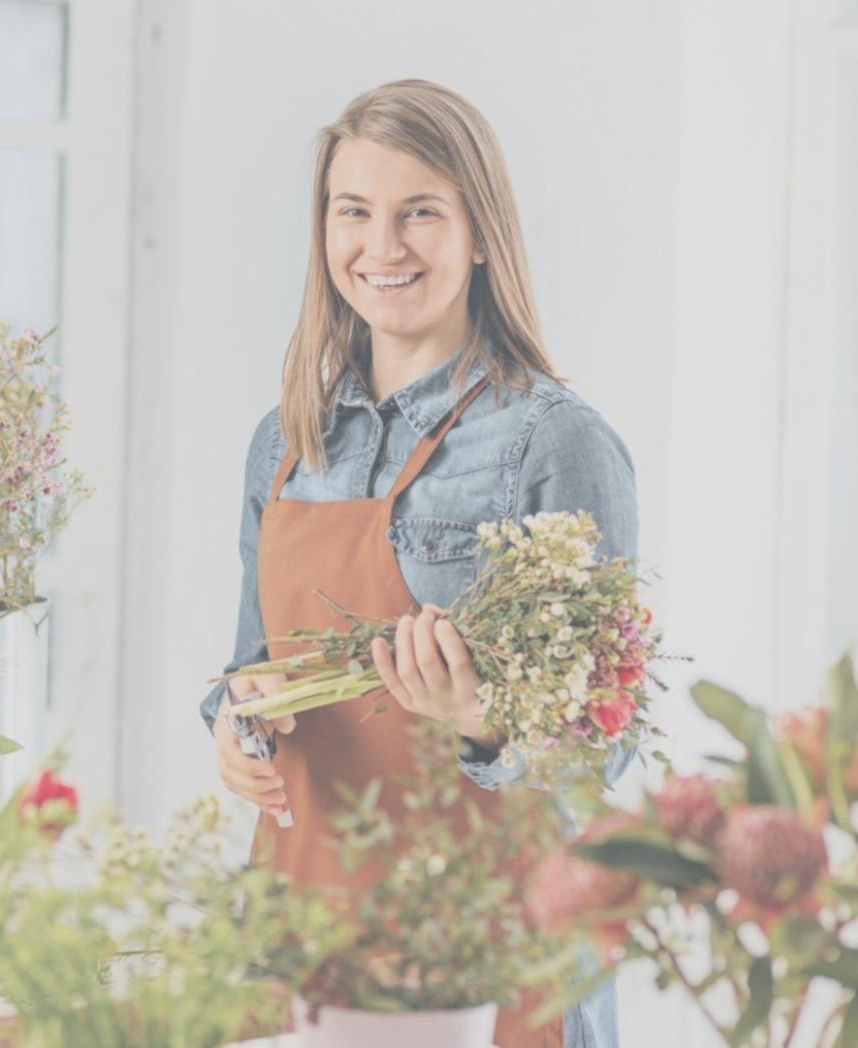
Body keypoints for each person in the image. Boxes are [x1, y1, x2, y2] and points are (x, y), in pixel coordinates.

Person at [199, 79, 637, 1048]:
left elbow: (604, 748)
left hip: (485, 959)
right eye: (353, 211)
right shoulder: (283, 439)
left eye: (418, 213)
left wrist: (483, 726)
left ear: (479, 233)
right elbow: (248, 666)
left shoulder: (552, 442)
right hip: (299, 933)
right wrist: (238, 726)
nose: (381, 246)